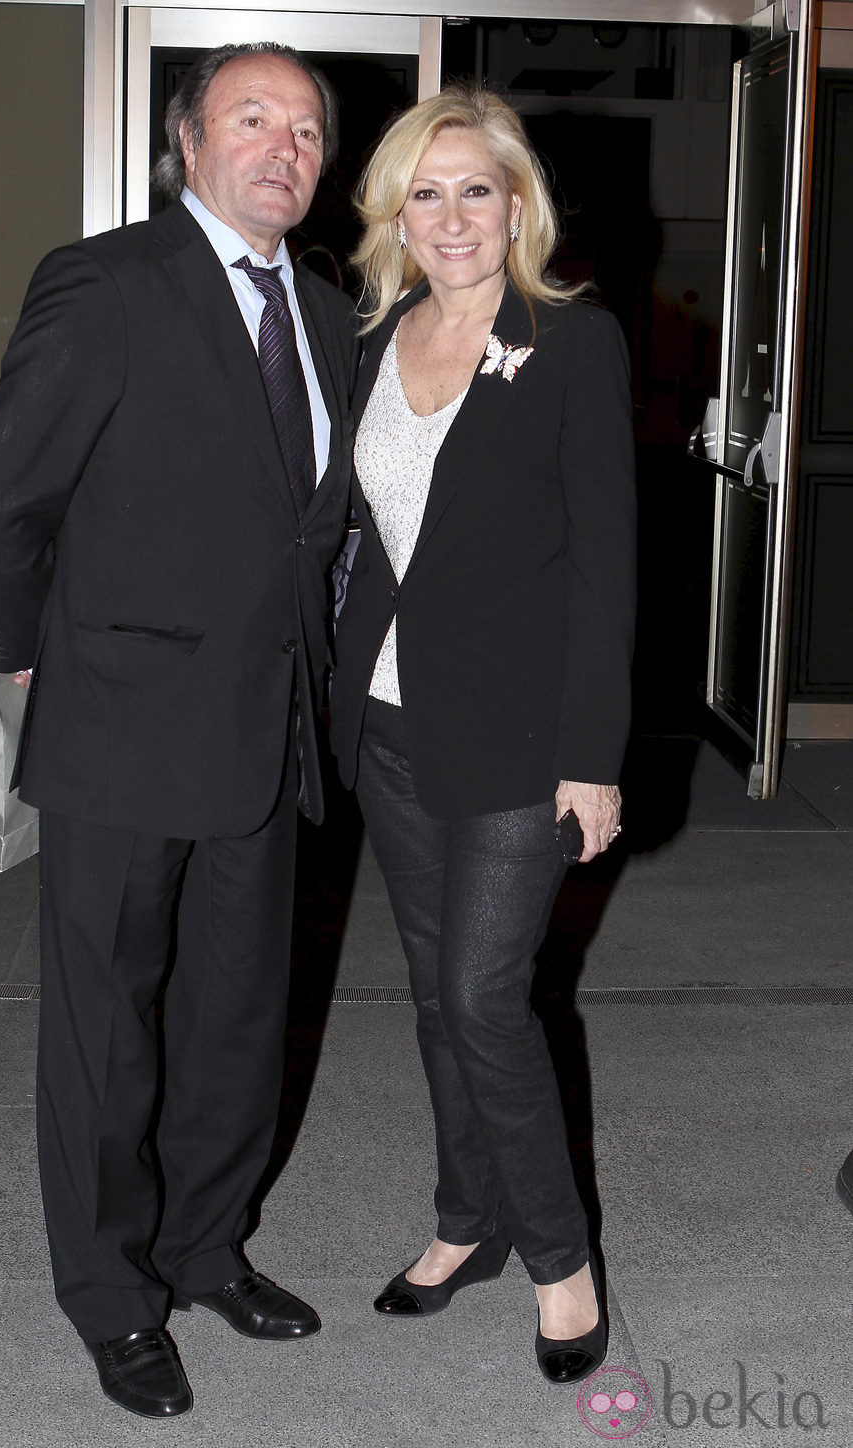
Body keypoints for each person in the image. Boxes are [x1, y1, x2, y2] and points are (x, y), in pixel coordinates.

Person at [0, 42, 357, 1419]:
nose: (282, 148)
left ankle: (204, 1247)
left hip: (267, 735)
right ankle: (114, 1297)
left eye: (305, 128)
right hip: (124, 731)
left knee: (239, 1019)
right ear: (189, 142)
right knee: (107, 1036)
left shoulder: (326, 304)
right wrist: (24, 666)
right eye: (252, 119)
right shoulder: (108, 282)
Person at [328, 86, 636, 1385]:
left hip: (521, 737)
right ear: (394, 210)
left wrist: (594, 756)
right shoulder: (375, 336)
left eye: (476, 189)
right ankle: (465, 1222)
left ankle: (560, 1262)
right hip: (391, 723)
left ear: (518, 205)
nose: (451, 216)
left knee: (482, 999)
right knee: (434, 1000)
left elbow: (605, 568)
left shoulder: (572, 343)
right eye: (426, 191)